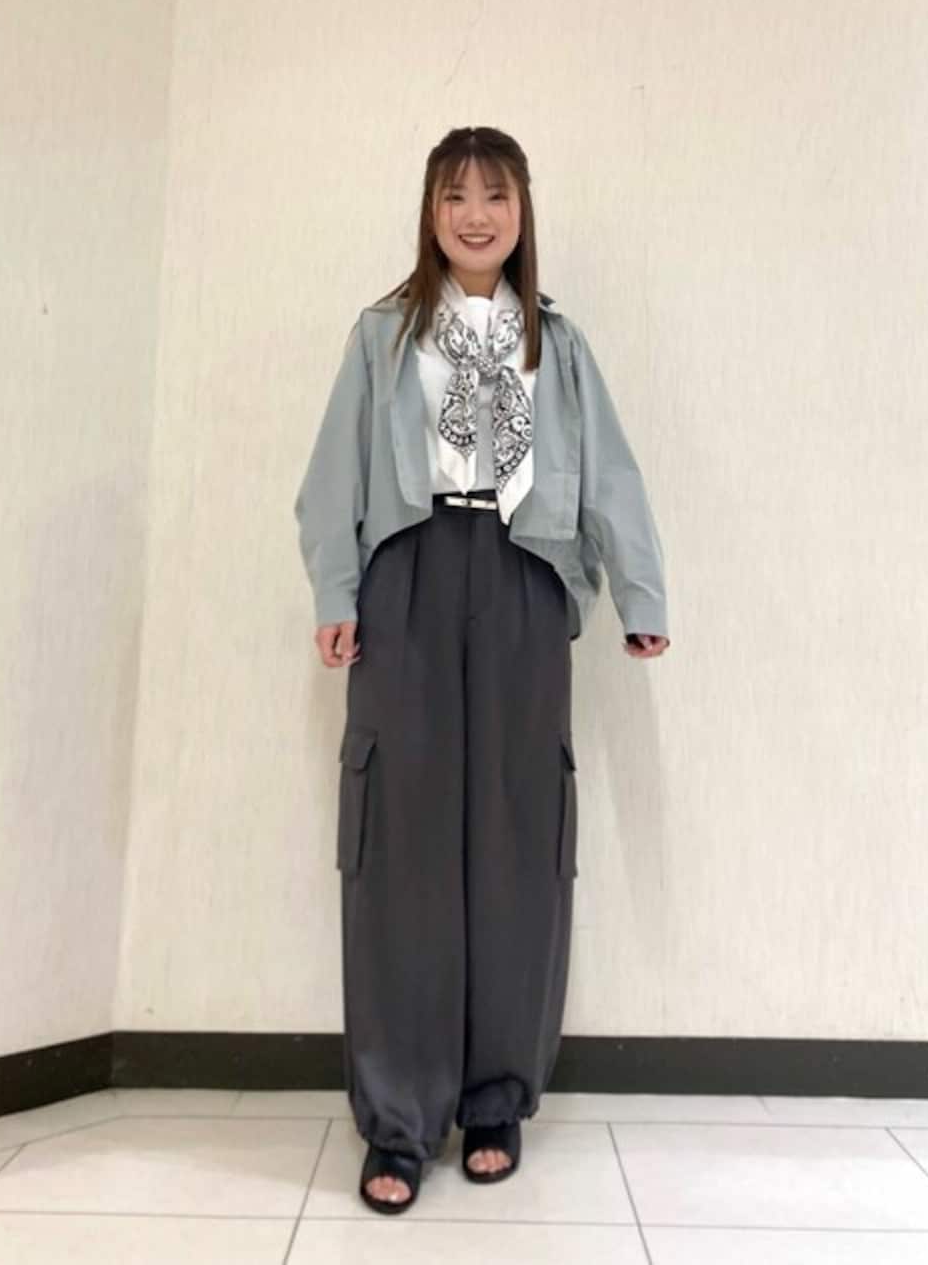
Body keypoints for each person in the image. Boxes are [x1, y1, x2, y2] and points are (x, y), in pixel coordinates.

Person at [294, 125, 670, 1214]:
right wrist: (336, 592)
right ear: (429, 210)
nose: (474, 214)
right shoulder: (382, 334)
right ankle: (400, 1117)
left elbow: (610, 473)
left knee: (516, 835)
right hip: (407, 573)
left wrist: (639, 594)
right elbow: (331, 474)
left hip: (522, 581)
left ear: (521, 211)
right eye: (454, 195)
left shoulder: (558, 341)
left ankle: (496, 1094)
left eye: (495, 195)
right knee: (401, 843)